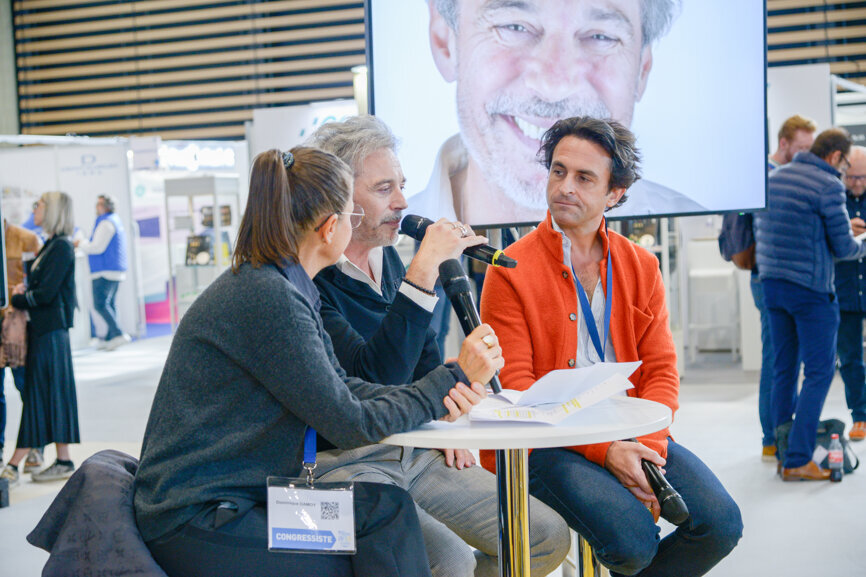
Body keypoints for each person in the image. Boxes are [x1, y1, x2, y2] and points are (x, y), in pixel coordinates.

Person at [133, 147, 500, 577]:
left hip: (244, 498)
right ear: (330, 229)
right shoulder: (269, 296)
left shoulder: (282, 284)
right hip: (204, 517)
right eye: (351, 216)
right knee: (381, 530)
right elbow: (349, 422)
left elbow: (344, 386)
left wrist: (445, 386)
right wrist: (448, 383)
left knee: (384, 511)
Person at [308, 116, 570, 577]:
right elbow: (373, 380)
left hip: (415, 446)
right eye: (385, 188)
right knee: (448, 561)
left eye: (402, 185)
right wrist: (424, 269)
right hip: (347, 458)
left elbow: (425, 363)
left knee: (543, 535)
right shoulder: (314, 280)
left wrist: (446, 418)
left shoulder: (387, 258)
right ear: (339, 197)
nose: (402, 203)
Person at [480, 117, 742, 576]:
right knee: (633, 543)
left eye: (584, 178)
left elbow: (661, 371)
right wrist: (607, 452)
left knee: (720, 525)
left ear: (615, 193)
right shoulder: (511, 267)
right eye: (558, 171)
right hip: (547, 443)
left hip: (632, 429)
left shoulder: (640, 264)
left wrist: (644, 449)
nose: (564, 187)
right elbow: (517, 388)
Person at [410, 0, 704, 226]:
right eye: (514, 27)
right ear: (444, 41)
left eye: (601, 36)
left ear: (642, 69)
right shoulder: (383, 244)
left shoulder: (690, 217)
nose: (555, 84)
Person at [755, 128, 866, 481]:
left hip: (773, 286)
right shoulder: (828, 184)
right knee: (819, 372)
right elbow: (846, 249)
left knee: (783, 369)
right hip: (811, 291)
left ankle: (780, 446)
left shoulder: (776, 177)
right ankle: (798, 459)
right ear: (835, 157)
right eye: (846, 164)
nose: (845, 172)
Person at [0, 192, 80, 487]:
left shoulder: (60, 247)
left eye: (40, 205)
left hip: (50, 334)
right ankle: (61, 459)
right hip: (46, 333)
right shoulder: (53, 245)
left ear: (53, 211)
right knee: (47, 394)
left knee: (40, 395)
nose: (35, 209)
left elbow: (45, 295)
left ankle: (15, 464)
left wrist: (18, 297)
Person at [755, 114, 817, 459]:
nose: (806, 156)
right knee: (777, 361)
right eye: (802, 148)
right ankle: (771, 437)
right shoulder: (768, 177)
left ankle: (778, 435)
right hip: (769, 279)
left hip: (779, 279)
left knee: (784, 362)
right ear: (784, 144)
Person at [0, 219, 44, 472]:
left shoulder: (25, 237)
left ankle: (35, 446)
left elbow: (35, 282)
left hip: (18, 327)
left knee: (26, 388)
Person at [834, 145, 866, 442]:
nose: (857, 183)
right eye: (853, 177)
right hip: (845, 292)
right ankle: (860, 415)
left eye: (863, 177)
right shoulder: (833, 201)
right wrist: (845, 232)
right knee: (851, 357)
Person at [74, 194, 130, 351]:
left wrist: (81, 243)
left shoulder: (106, 223)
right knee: (109, 304)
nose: (96, 207)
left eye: (99, 204)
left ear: (105, 206)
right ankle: (111, 336)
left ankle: (118, 334)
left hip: (105, 270)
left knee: (100, 304)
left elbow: (97, 247)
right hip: (113, 269)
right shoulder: (114, 220)